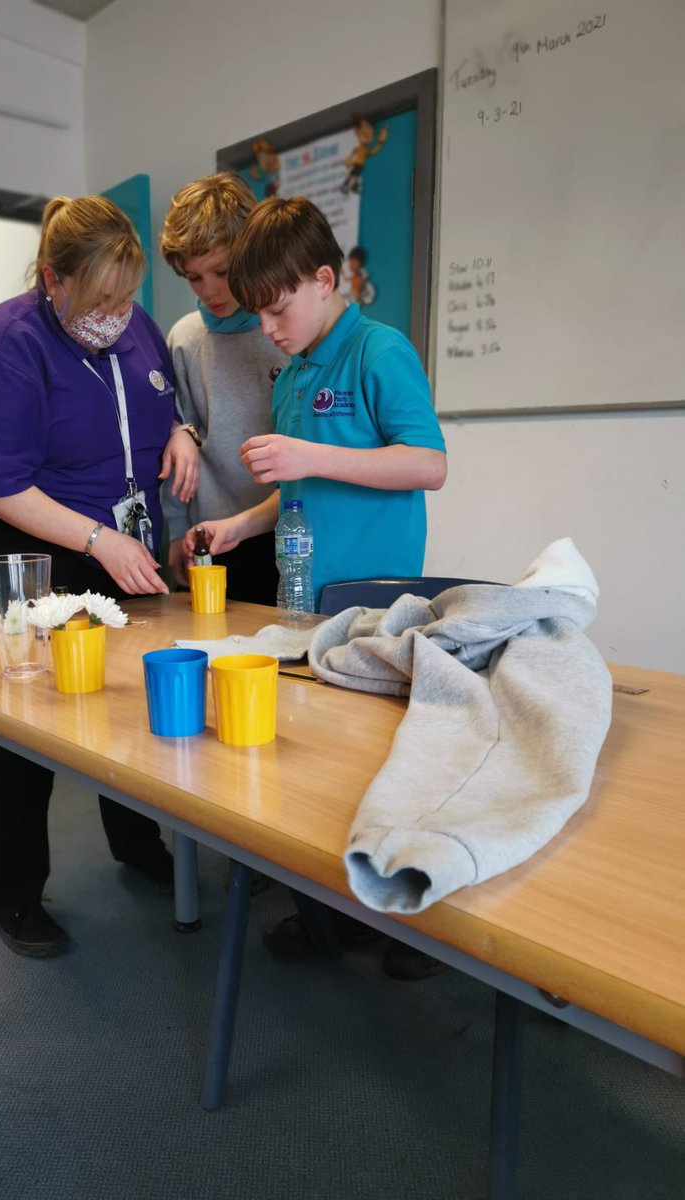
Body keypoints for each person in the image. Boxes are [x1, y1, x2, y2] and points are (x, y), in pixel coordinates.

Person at [183, 195, 448, 977]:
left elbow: (428, 463)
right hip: (304, 603)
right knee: (316, 771)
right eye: (258, 312)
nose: (268, 327)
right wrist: (239, 526)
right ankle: (338, 915)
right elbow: (300, 491)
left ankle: (414, 926)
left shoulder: (378, 350)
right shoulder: (295, 373)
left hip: (378, 608)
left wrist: (310, 457)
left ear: (325, 279)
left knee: (383, 770)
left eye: (277, 308)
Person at [0, 194, 200, 957]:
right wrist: (94, 541)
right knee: (37, 720)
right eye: (99, 300)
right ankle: (16, 895)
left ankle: (136, 844)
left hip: (123, 540)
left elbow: (160, 397)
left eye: (128, 299)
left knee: (127, 697)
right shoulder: (5, 348)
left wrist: (183, 431)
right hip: (41, 544)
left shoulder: (136, 328)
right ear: (53, 279)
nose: (116, 315)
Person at [159, 171, 288, 604]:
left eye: (221, 271)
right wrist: (177, 534)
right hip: (210, 540)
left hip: (284, 532)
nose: (210, 289)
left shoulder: (286, 333)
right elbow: (175, 444)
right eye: (195, 278)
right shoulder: (184, 339)